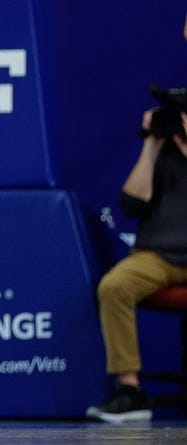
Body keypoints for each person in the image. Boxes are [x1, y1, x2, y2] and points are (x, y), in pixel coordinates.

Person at [86, 106, 187, 423]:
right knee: (115, 286)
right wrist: (152, 144)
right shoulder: (160, 154)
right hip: (157, 255)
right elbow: (131, 203)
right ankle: (130, 391)